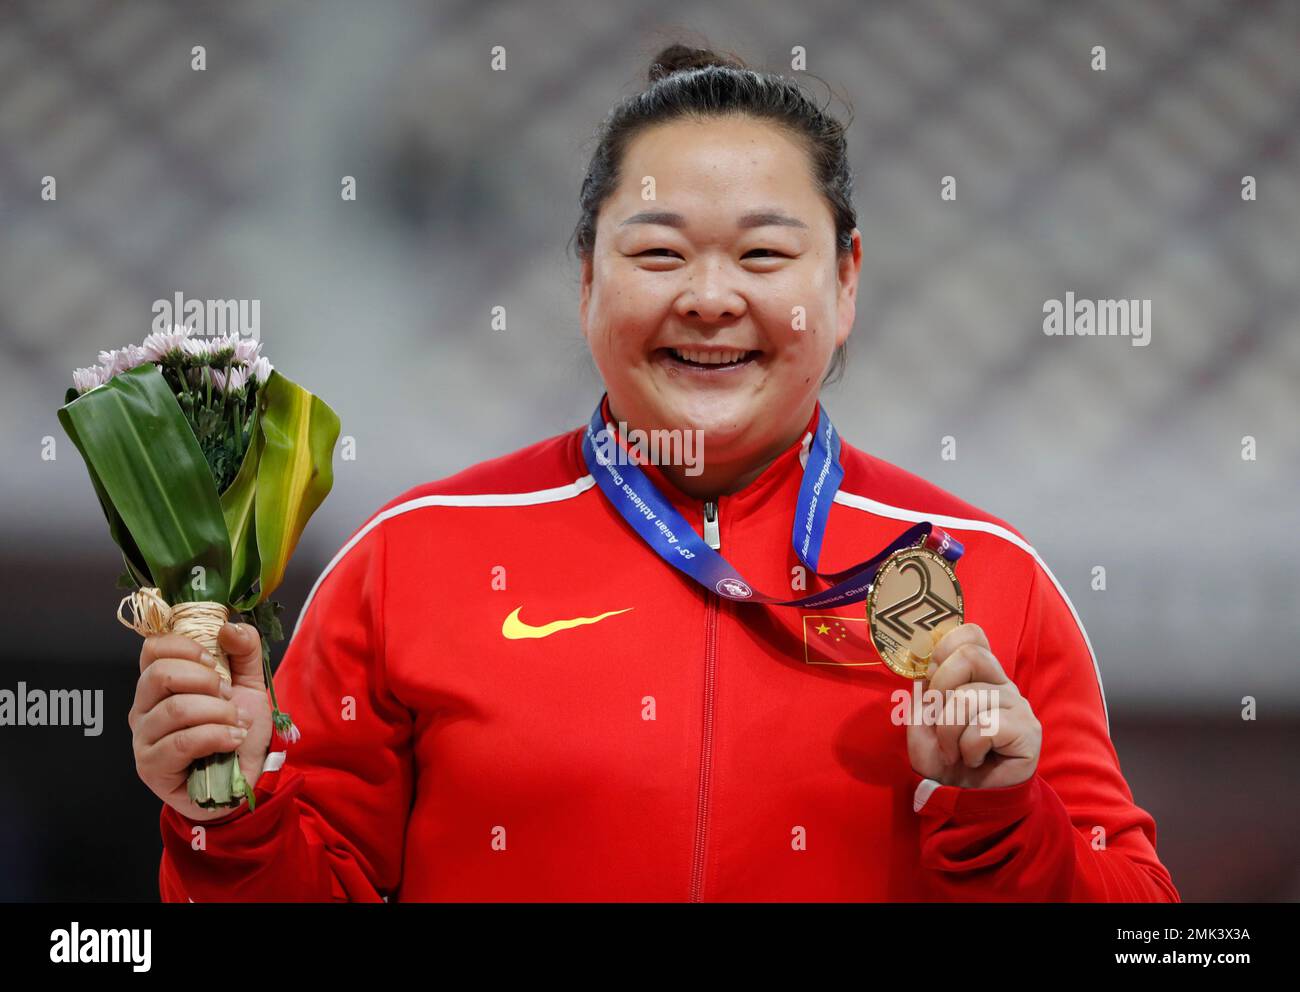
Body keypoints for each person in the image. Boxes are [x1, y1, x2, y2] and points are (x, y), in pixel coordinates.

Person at [130, 44, 1178, 902]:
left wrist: (1006, 819)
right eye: (659, 254)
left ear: (845, 281)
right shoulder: (411, 557)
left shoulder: (988, 576)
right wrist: (228, 818)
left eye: (764, 256)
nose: (711, 297)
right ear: (586, 278)